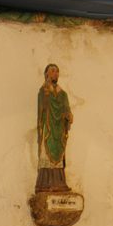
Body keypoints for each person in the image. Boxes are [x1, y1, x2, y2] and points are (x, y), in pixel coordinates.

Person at [36, 63, 73, 192]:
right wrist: (46, 94)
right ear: (46, 74)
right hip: (49, 127)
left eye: (57, 71)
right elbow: (42, 109)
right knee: (46, 152)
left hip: (59, 129)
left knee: (59, 152)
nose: (55, 74)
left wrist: (69, 115)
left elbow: (66, 108)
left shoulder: (63, 94)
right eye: (52, 71)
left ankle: (60, 182)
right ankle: (45, 183)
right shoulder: (43, 91)